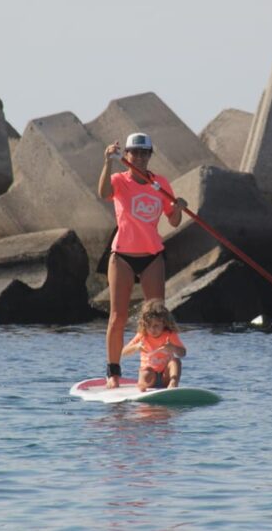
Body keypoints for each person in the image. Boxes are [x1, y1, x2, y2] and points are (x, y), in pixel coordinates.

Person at [98, 132, 187, 388]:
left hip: (152, 256)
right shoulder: (119, 180)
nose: (138, 157)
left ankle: (158, 369)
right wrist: (107, 162)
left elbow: (173, 219)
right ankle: (113, 373)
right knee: (118, 316)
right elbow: (103, 193)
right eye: (133, 152)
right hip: (122, 256)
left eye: (143, 153)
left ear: (149, 155)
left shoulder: (160, 184)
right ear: (126, 154)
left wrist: (178, 207)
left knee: (158, 316)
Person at [122, 299, 186, 391]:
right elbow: (123, 352)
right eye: (149, 325)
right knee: (147, 370)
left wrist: (173, 348)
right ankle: (142, 386)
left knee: (175, 361)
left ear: (164, 323)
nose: (152, 329)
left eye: (156, 325)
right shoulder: (142, 335)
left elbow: (183, 353)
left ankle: (173, 384)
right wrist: (136, 347)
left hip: (165, 376)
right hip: (149, 376)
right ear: (144, 324)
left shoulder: (170, 334)